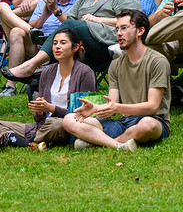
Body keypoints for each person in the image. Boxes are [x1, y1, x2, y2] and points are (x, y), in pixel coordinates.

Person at [2, 0, 143, 79]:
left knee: (72, 28)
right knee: (66, 34)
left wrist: (98, 20)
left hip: (106, 45)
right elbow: (68, 22)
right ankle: (41, 77)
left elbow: (132, 21)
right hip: (80, 46)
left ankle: (31, 65)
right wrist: (54, 11)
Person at [62, 9, 171, 151]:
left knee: (147, 125)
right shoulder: (115, 65)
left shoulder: (157, 61)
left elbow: (152, 106)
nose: (119, 33)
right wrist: (96, 108)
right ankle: (120, 145)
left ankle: (100, 142)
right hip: (123, 122)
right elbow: (112, 105)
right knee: (69, 119)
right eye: (117, 29)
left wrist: (117, 107)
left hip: (153, 120)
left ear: (140, 31)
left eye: (124, 28)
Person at [0, 28, 95, 147]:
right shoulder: (47, 72)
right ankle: (28, 142)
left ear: (75, 47)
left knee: (55, 125)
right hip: (41, 127)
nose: (57, 47)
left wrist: (52, 108)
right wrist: (39, 111)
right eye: (55, 43)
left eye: (63, 43)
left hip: (65, 125)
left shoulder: (85, 73)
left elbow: (82, 114)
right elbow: (38, 118)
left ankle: (15, 140)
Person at [0, 0, 78, 97]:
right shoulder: (44, 1)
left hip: (58, 47)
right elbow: (34, 23)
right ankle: (10, 87)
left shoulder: (78, 3)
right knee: (8, 17)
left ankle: (13, 82)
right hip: (36, 43)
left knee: (15, 27)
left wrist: (55, 10)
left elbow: (75, 28)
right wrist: (44, 15)